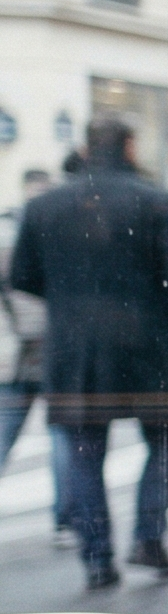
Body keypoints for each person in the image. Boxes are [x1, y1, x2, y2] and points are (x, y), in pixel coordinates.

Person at [7, 116, 168, 588]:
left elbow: (22, 276)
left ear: (86, 149)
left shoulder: (44, 206)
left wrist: (71, 305)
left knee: (84, 452)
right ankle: (148, 538)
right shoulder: (155, 201)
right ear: (129, 146)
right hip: (147, 343)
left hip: (77, 349)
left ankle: (97, 557)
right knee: (164, 443)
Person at [1, 169, 53, 481]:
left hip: (15, 345)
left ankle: (67, 513)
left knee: (7, 424)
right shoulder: (59, 230)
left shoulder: (7, 232)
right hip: (46, 341)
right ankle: (67, 514)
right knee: (63, 430)